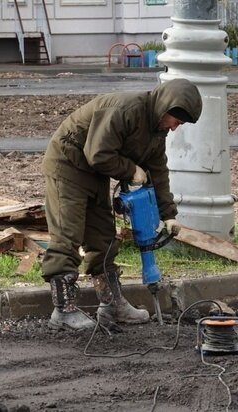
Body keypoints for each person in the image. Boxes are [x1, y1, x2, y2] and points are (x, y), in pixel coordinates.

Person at [41, 78, 202, 331]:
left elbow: (158, 172)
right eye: (176, 121)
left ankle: (112, 305)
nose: (174, 128)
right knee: (67, 233)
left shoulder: (156, 131)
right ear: (165, 108)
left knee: (103, 237)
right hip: (68, 164)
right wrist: (131, 170)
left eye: (179, 124)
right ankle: (63, 311)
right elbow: (98, 154)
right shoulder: (125, 109)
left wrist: (168, 214)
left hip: (95, 173)